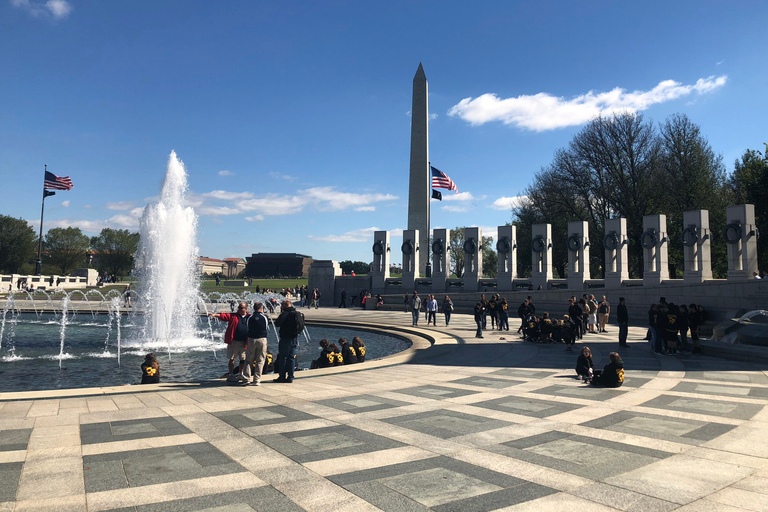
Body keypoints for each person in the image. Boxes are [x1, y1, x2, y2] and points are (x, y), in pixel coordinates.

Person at [209, 302, 250, 380]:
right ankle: (231, 374)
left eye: (241, 308)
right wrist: (214, 315)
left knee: (243, 359)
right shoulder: (234, 316)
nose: (239, 309)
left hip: (244, 342)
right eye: (239, 307)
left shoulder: (249, 317)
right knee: (232, 358)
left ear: (246, 309)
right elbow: (224, 316)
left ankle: (241, 373)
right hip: (234, 342)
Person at [274, 300, 305, 383]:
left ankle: (282, 376)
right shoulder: (296, 313)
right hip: (294, 338)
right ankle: (290, 376)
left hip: (285, 338)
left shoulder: (285, 314)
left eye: (282, 304)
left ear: (286, 305)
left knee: (283, 357)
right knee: (291, 357)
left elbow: (277, 323)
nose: (281, 306)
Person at [243, 302, 269, 386]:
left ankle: (247, 378)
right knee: (260, 360)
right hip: (262, 339)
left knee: (248, 360)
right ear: (261, 308)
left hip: (252, 339)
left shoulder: (250, 317)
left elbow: (247, 327)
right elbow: (266, 327)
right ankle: (257, 380)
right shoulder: (264, 317)